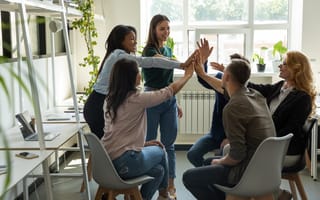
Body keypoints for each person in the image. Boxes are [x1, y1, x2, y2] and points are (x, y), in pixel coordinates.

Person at [183, 55, 276, 200]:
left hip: (247, 170)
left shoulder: (232, 107)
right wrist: (202, 73)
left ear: (226, 77)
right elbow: (222, 89)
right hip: (265, 166)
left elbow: (237, 155)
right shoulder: (255, 95)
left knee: (189, 177)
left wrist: (220, 161)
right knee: (207, 163)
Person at [102, 58, 194, 200]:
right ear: (130, 78)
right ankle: (164, 196)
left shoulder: (110, 99)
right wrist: (187, 75)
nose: (140, 75)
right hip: (126, 162)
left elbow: (118, 133)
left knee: (159, 171)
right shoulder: (136, 98)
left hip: (107, 163)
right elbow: (169, 91)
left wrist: (143, 144)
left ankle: (143, 197)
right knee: (162, 151)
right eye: (137, 72)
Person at [83, 25, 193, 139]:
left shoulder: (117, 55)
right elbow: (151, 61)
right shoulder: (119, 56)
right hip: (98, 105)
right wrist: (182, 65)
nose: (135, 42)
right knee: (103, 148)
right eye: (131, 39)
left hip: (98, 103)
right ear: (121, 41)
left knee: (101, 148)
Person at [187, 40, 248, 167]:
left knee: (221, 161)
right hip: (214, 134)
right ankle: (206, 172)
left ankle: (212, 176)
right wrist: (203, 60)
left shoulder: (244, 92)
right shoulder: (221, 78)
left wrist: (229, 139)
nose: (226, 69)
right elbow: (203, 79)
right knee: (192, 154)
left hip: (231, 138)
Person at [141, 14, 179, 198]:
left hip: (169, 99)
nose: (166, 32)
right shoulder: (148, 51)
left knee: (169, 145)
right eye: (162, 28)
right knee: (150, 142)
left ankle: (170, 186)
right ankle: (152, 183)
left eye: (168, 28)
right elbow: (162, 62)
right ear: (154, 30)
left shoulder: (169, 50)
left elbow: (170, 79)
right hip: (152, 98)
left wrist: (176, 102)